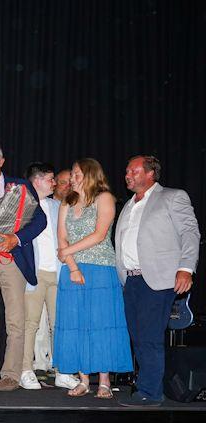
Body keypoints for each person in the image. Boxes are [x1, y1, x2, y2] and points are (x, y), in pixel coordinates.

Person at [116, 155, 199, 407]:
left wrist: (186, 268)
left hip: (157, 278)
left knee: (149, 336)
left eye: (134, 170)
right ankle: (147, 387)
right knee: (138, 337)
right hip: (131, 280)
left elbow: (189, 232)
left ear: (150, 173)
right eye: (127, 170)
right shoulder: (129, 204)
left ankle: (150, 393)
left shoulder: (173, 197)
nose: (128, 174)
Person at [0, 141, 47, 391]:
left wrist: (16, 239)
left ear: (1, 162)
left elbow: (40, 220)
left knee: (15, 320)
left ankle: (11, 374)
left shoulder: (19, 187)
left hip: (12, 260)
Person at [54, 158, 133, 398]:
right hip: (72, 270)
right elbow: (61, 238)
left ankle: (105, 382)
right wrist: (73, 266)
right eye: (73, 174)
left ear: (90, 174)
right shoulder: (67, 202)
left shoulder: (105, 198)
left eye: (77, 174)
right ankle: (83, 379)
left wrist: (67, 252)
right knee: (75, 323)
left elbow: (99, 235)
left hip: (100, 269)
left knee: (100, 324)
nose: (73, 178)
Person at [21, 163, 81, 391]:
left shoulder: (58, 206)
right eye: (50, 179)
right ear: (37, 181)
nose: (54, 183)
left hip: (58, 273)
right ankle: (25, 369)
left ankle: (62, 371)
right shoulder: (23, 206)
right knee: (30, 324)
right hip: (34, 275)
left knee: (60, 324)